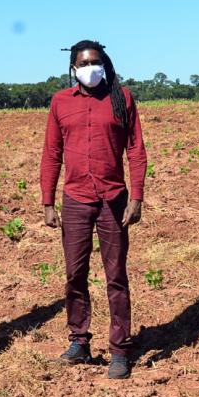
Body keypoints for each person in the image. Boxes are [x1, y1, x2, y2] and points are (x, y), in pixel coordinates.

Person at [40, 40, 148, 379]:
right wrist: (47, 201)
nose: (90, 68)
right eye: (84, 63)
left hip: (113, 199)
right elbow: (51, 153)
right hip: (75, 198)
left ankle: (119, 349)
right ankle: (79, 341)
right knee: (75, 274)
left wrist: (137, 197)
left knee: (116, 276)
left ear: (104, 64)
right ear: (74, 68)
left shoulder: (122, 99)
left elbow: (136, 150)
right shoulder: (60, 102)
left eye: (95, 62)